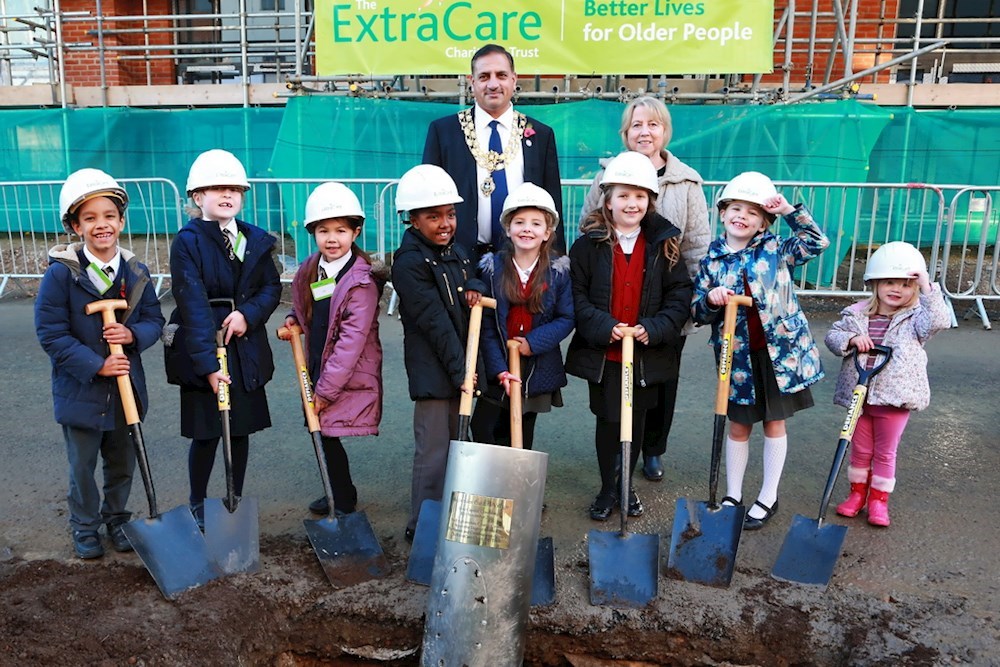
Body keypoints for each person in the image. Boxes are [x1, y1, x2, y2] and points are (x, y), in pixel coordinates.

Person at [579, 95, 711, 482]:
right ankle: (617, 465)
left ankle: (653, 449)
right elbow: (590, 224)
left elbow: (697, 244)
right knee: (617, 389)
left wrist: (689, 304)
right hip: (617, 299)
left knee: (660, 381)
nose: (645, 131)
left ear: (664, 130)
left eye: (653, 124)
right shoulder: (608, 175)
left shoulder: (686, 180)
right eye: (637, 124)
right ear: (626, 131)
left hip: (666, 302)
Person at [35, 168, 165, 558]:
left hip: (127, 390)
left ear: (121, 221)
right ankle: (85, 526)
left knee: (121, 462)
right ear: (76, 226)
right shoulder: (61, 276)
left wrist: (133, 336)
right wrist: (97, 365)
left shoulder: (136, 273)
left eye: (109, 216)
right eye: (90, 218)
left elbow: (154, 320)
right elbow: (52, 334)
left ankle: (118, 518)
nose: (101, 225)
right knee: (82, 467)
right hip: (82, 392)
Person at [691, 171, 829, 530]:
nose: (742, 217)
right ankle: (733, 493)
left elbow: (816, 242)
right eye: (735, 208)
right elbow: (696, 311)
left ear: (763, 222)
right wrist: (710, 298)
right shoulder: (712, 260)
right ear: (722, 213)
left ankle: (768, 494)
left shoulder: (776, 248)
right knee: (739, 425)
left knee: (774, 422)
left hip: (778, 354)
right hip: (735, 359)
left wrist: (788, 210)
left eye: (752, 213)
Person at [566, 152, 693, 521]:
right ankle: (609, 487)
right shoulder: (587, 246)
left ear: (650, 201)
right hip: (606, 354)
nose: (631, 203)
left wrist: (652, 329)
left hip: (644, 354)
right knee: (608, 421)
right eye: (623, 195)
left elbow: (679, 296)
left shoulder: (665, 245)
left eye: (639, 196)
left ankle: (626, 486)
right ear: (607, 200)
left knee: (634, 422)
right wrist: (605, 326)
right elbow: (576, 296)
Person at [163, 149, 281, 530]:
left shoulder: (254, 239)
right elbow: (193, 303)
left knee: (240, 429)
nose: (227, 195)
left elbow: (270, 287)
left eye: (234, 189)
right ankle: (198, 502)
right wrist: (209, 367)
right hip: (204, 347)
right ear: (198, 198)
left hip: (242, 348)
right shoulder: (188, 241)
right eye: (216, 189)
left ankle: (234, 499)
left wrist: (248, 314)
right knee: (207, 433)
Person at [825, 242, 950, 527]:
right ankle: (857, 495)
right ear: (876, 283)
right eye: (890, 282)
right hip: (860, 395)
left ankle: (879, 501)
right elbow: (833, 337)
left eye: (906, 285)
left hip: (894, 397)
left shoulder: (916, 319)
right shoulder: (857, 314)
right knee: (859, 449)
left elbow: (939, 321)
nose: (897, 289)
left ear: (915, 288)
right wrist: (851, 340)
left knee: (885, 451)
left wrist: (928, 287)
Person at [391, 164, 485, 541]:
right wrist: (461, 370)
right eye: (433, 217)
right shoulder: (410, 263)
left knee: (462, 446)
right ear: (413, 220)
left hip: (461, 364)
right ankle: (423, 527)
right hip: (434, 372)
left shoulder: (456, 252)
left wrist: (475, 281)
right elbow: (434, 322)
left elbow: (471, 275)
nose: (445, 223)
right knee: (433, 454)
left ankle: (458, 520)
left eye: (450, 214)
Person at [283, 182, 387, 517]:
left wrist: (327, 388)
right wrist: (293, 320)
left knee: (326, 430)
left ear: (355, 232)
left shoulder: (361, 281)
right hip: (317, 360)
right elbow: (305, 305)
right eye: (323, 230)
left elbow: (351, 340)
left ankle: (342, 498)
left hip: (345, 369)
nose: (332, 238)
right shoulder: (312, 268)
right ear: (312, 232)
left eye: (341, 230)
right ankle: (337, 490)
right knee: (320, 430)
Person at [423, 43, 564, 261]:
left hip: (524, 262)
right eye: (484, 76)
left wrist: (556, 261)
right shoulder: (444, 132)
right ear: (472, 82)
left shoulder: (540, 135)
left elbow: (552, 204)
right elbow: (428, 201)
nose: (493, 84)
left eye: (501, 75)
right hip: (457, 260)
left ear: (514, 80)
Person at [472, 183, 574, 451]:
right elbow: (487, 326)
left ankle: (515, 484)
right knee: (484, 425)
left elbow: (566, 317)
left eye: (536, 223)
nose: (527, 229)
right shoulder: (492, 268)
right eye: (519, 222)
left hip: (536, 363)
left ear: (547, 232)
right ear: (507, 228)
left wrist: (533, 342)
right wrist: (498, 369)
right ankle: (488, 481)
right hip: (499, 360)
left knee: (521, 426)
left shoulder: (558, 272)